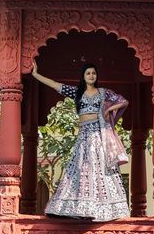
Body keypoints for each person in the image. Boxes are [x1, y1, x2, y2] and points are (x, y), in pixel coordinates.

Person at [31, 60, 130, 221]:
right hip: (84, 135)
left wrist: (109, 109)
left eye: (93, 73)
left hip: (98, 134)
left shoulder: (103, 92)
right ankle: (77, 208)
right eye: (88, 73)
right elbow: (56, 85)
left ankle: (103, 209)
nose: (91, 75)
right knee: (80, 168)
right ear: (83, 77)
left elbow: (123, 101)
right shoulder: (77, 92)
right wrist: (35, 75)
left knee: (98, 168)